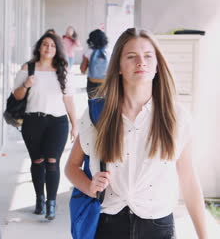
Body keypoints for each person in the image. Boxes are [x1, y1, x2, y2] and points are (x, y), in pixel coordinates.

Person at [65, 28, 208, 238]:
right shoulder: (98, 114)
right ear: (119, 67)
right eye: (131, 56)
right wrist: (89, 186)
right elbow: (71, 167)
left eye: (148, 56)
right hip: (107, 225)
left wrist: (204, 236)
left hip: (158, 226)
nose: (141, 62)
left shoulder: (176, 116)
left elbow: (188, 180)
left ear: (158, 65)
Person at [13, 32, 77, 221]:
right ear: (39, 47)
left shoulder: (62, 69)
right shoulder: (28, 68)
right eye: (45, 45)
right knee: (37, 161)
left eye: (52, 46)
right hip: (33, 121)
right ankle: (39, 199)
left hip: (57, 123)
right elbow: (17, 96)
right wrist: (26, 84)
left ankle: (51, 204)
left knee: (52, 162)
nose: (48, 48)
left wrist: (74, 125)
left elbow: (69, 99)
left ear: (57, 49)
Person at [80, 29, 109, 99]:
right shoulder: (109, 51)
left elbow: (82, 70)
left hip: (92, 83)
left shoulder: (88, 52)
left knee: (93, 105)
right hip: (107, 83)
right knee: (107, 105)